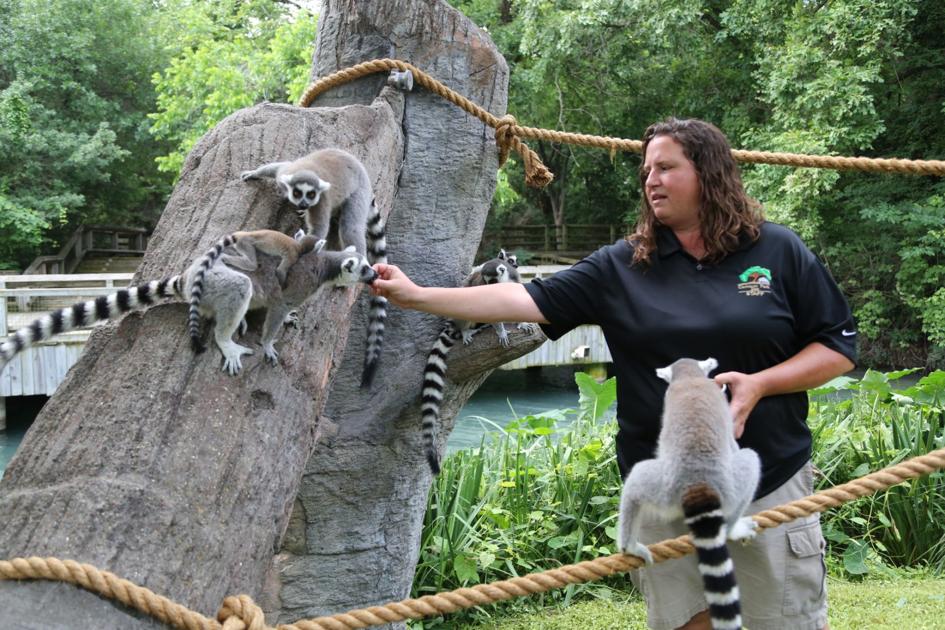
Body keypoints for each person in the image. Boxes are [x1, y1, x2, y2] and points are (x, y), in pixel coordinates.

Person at [371, 117, 855, 630]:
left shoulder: (776, 250)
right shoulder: (623, 266)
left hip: (766, 480)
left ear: (709, 173)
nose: (651, 180)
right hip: (666, 493)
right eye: (647, 170)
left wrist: (761, 384)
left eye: (666, 167)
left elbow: (838, 347)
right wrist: (417, 295)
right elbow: (524, 298)